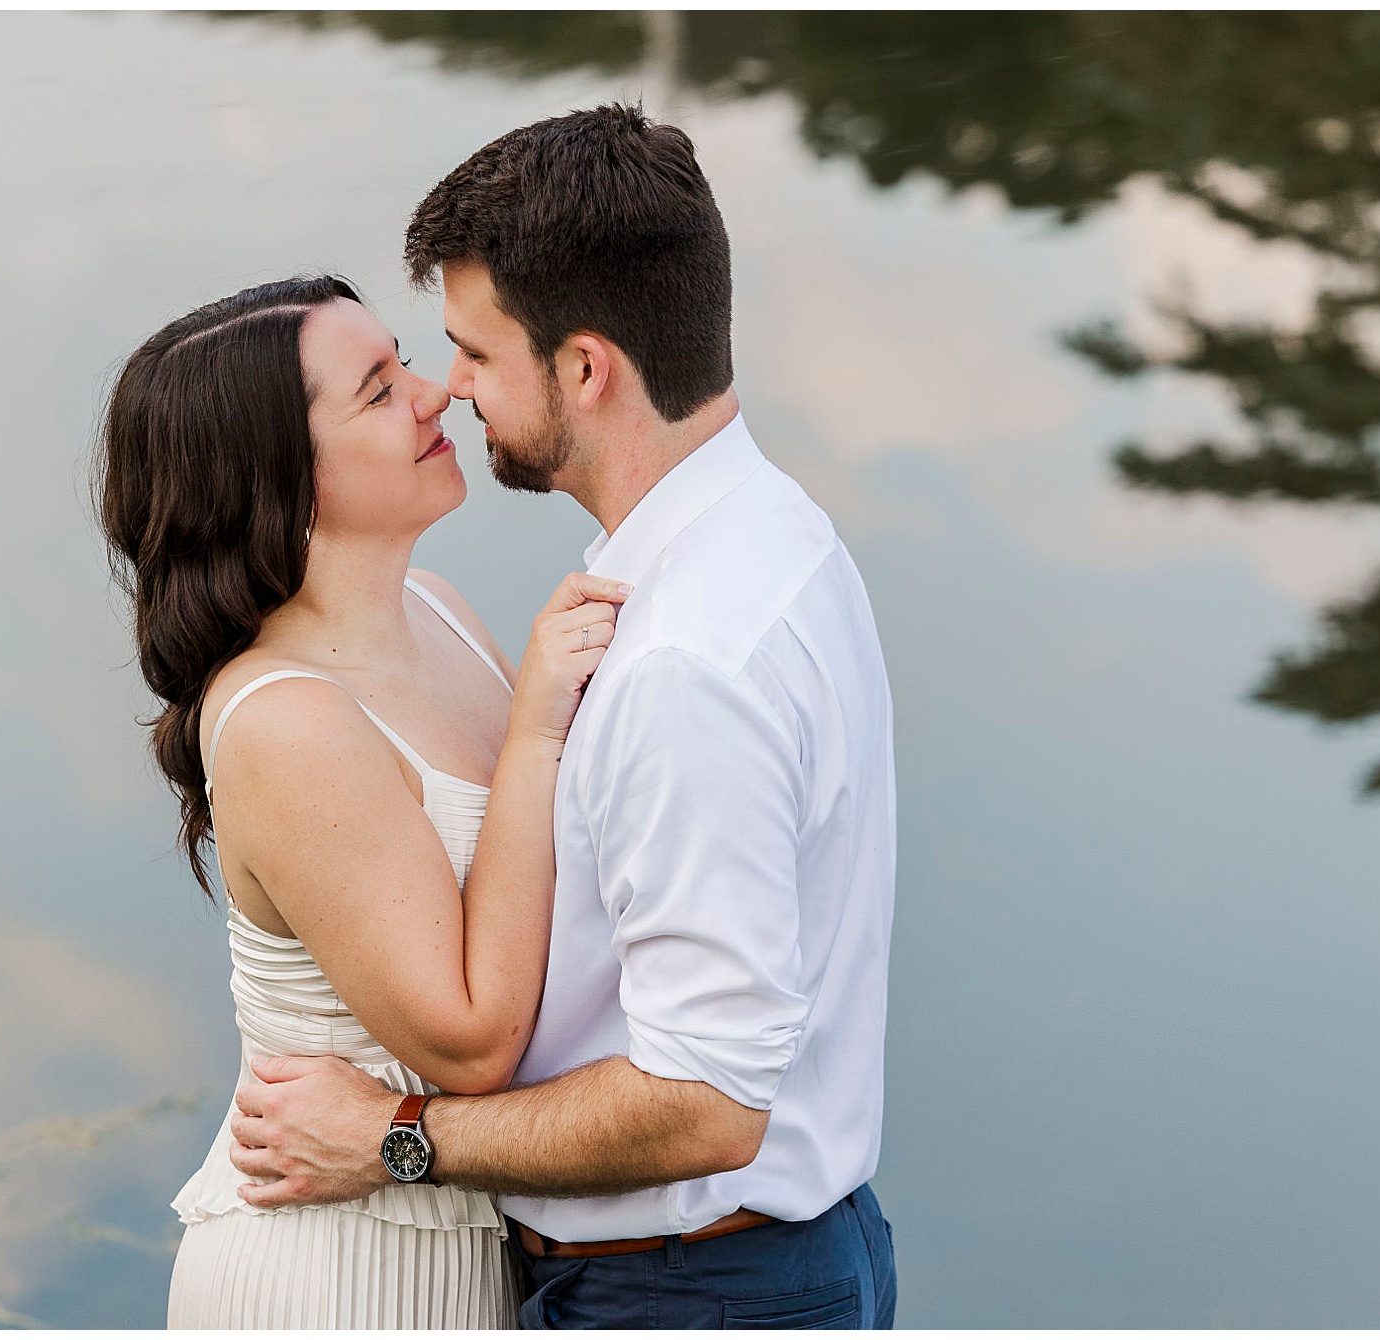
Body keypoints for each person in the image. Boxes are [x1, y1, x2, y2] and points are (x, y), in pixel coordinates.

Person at [229, 105, 900, 1328]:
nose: (451, 391)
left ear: (583, 368)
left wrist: (397, 1139)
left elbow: (702, 1100)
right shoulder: (775, 533)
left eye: (474, 354)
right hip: (750, 1260)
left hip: (684, 1287)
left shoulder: (681, 659)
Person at [96, 273, 633, 1327]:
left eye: (404, 363)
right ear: (279, 480)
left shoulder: (437, 608)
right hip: (337, 1271)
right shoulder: (287, 720)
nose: (437, 393)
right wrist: (533, 732)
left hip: (463, 1230)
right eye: (379, 390)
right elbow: (468, 1041)